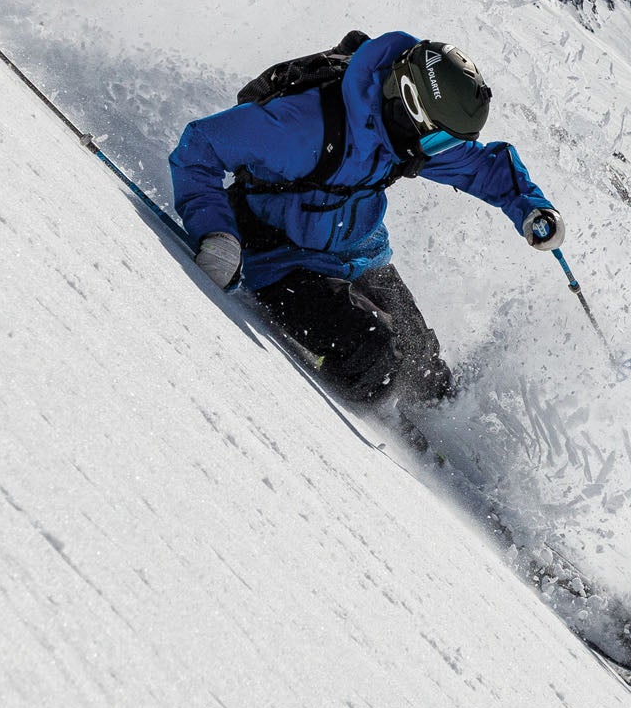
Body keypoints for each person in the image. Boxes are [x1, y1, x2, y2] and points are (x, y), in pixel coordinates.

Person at [169, 31, 563, 422]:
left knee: (423, 359)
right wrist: (216, 233)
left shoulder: (406, 135)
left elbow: (483, 167)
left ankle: (433, 422)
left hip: (358, 249)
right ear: (408, 104)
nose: (440, 152)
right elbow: (201, 145)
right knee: (373, 356)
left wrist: (531, 208)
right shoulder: (303, 126)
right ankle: (372, 435)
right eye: (440, 141)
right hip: (279, 257)